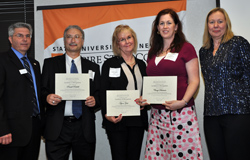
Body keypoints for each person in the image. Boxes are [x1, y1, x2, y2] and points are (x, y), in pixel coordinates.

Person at [143, 8, 203, 160]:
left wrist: (182, 102)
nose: (165, 26)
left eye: (169, 22)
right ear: (157, 28)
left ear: (176, 26)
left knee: (183, 156)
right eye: (161, 23)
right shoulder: (152, 52)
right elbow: (152, 81)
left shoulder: (186, 48)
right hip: (157, 116)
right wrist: (145, 98)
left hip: (181, 113)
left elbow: (194, 80)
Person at [41, 25, 101, 160]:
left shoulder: (93, 67)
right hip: (58, 127)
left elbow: (99, 94)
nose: (73, 40)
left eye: (77, 37)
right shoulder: (50, 64)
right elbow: (41, 91)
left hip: (83, 127)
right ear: (64, 41)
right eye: (69, 37)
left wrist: (95, 101)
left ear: (83, 41)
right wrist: (47, 97)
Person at [199, 7, 250, 160]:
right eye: (212, 22)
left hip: (237, 112)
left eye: (220, 21)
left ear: (226, 23)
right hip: (211, 114)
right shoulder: (203, 51)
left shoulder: (238, 43)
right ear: (207, 25)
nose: (216, 25)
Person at [100, 24, 148, 160]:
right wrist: (106, 114)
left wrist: (145, 101)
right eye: (122, 39)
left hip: (137, 120)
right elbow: (103, 92)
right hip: (117, 120)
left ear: (134, 39)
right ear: (117, 44)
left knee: (134, 156)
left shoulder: (142, 64)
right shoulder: (109, 64)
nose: (127, 42)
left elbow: (146, 90)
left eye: (129, 37)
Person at [0, 22, 43, 160]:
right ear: (10, 39)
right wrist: (2, 129)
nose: (25, 39)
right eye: (20, 36)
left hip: (34, 128)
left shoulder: (34, 64)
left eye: (28, 36)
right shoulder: (2, 61)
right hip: (11, 131)